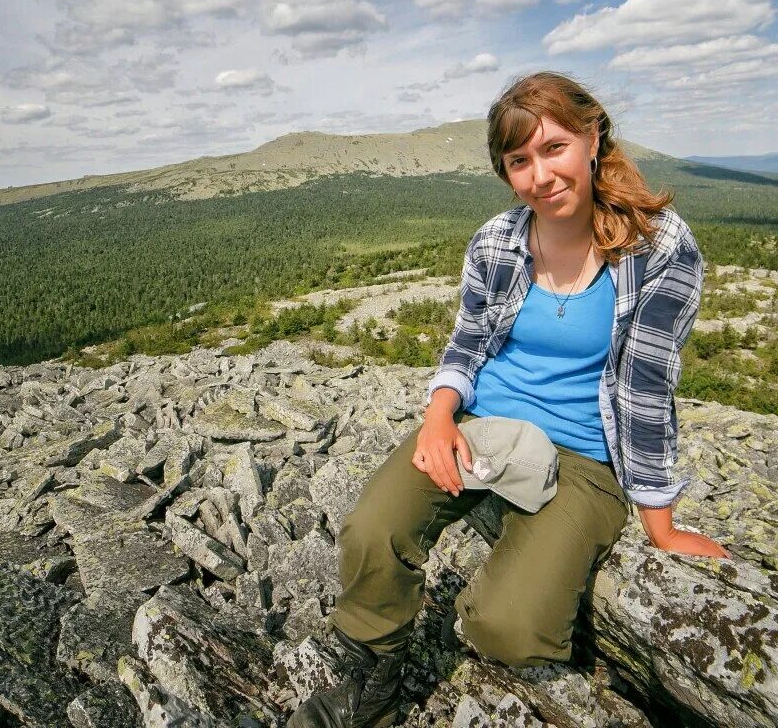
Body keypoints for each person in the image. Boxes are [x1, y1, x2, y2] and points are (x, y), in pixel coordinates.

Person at [289, 72, 730, 728]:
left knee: (510, 627)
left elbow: (645, 388)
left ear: (592, 135)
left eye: (553, 148)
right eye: (518, 160)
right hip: (481, 423)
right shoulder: (498, 242)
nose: (539, 175)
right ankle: (375, 675)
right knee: (372, 530)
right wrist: (439, 418)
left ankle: (513, 590)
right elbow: (466, 345)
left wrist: (660, 525)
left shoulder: (658, 250)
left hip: (583, 454)